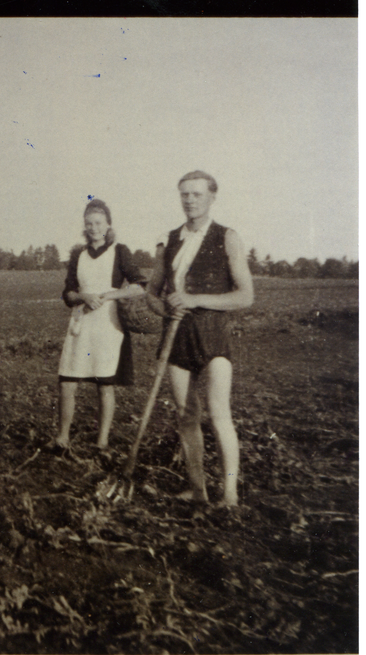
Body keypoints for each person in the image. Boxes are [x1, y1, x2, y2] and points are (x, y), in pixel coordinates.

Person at [147, 170, 254, 506]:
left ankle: (230, 494)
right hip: (176, 337)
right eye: (184, 194)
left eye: (196, 194)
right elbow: (152, 291)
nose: (190, 200)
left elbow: (245, 295)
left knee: (219, 412)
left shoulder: (227, 237)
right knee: (185, 413)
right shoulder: (168, 240)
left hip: (212, 338)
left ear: (212, 197)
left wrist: (195, 300)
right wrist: (163, 307)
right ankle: (197, 490)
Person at [54, 199, 146, 453]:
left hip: (109, 325)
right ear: (85, 226)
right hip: (81, 323)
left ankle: (102, 441)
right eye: (89, 223)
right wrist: (83, 297)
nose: (94, 228)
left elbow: (139, 286)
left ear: (108, 225)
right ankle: (62, 438)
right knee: (67, 382)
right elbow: (68, 293)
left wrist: (107, 296)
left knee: (104, 384)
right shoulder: (78, 255)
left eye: (98, 223)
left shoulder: (120, 251)